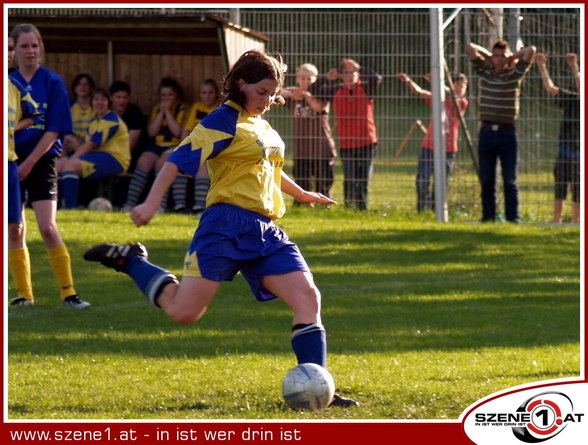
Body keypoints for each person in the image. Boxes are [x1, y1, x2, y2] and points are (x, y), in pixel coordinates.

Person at [84, 50, 358, 408]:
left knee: (308, 297)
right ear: (241, 84)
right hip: (225, 226)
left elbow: (269, 165)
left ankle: (319, 385)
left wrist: (301, 193)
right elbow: (174, 162)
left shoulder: (259, 122)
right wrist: (150, 204)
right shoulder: (221, 120)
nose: (268, 100)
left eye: (273, 94)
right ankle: (131, 259)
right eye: (262, 92)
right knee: (184, 313)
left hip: (265, 229)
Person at [9, 23, 90, 308]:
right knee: (15, 228)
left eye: (34, 45)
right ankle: (24, 295)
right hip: (12, 161)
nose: (30, 51)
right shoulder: (9, 84)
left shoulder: (53, 82)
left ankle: (69, 294)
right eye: (24, 46)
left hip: (41, 161)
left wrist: (29, 163)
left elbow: (54, 129)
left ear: (41, 48)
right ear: (14, 50)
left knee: (47, 227)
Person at [466, 39, 536, 223]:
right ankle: (488, 218)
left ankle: (513, 219)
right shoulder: (485, 71)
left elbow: (531, 50)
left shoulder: (515, 73)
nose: (498, 60)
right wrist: (489, 57)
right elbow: (471, 48)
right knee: (488, 180)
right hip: (487, 132)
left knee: (509, 181)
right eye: (496, 56)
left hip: (507, 132)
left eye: (502, 56)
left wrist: (511, 58)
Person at [396, 72, 469, 212]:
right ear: (452, 84)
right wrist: (408, 80)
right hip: (429, 146)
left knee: (441, 183)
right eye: (458, 84)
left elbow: (451, 95)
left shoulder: (462, 102)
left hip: (448, 148)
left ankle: (438, 210)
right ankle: (423, 209)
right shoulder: (439, 99)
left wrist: (436, 83)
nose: (461, 88)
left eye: (464, 85)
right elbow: (419, 92)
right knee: (422, 180)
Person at [318, 58, 382, 210]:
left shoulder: (366, 88)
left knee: (363, 178)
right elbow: (315, 92)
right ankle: (348, 207)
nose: (349, 75)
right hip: (347, 143)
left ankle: (362, 208)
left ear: (358, 74)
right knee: (350, 178)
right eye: (346, 73)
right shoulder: (336, 90)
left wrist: (360, 67)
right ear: (341, 75)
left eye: (352, 72)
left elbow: (377, 78)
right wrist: (327, 78)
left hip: (367, 141)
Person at [56, 88, 130, 209]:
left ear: (109, 102)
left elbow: (91, 144)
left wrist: (72, 159)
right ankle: (54, 206)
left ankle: (69, 208)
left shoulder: (111, 119)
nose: (99, 103)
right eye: (96, 99)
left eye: (103, 100)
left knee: (70, 165)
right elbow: (84, 146)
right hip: (97, 157)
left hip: (115, 159)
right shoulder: (93, 122)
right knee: (58, 164)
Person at [121, 77, 187, 212]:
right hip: (157, 145)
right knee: (143, 162)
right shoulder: (156, 109)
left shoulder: (182, 107)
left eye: (170, 95)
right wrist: (161, 112)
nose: (166, 98)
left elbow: (177, 132)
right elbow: (151, 132)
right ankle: (130, 203)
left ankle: (159, 205)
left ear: (176, 95)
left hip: (174, 145)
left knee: (161, 164)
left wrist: (168, 112)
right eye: (163, 95)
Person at [535, 53, 580, 224]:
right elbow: (550, 87)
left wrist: (574, 66)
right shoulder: (571, 99)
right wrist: (541, 65)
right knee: (560, 189)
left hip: (580, 156)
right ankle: (557, 222)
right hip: (564, 153)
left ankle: (576, 223)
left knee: (579, 192)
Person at [8, 66, 40, 306]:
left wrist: (11, 127)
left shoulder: (15, 87)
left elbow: (34, 115)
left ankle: (24, 295)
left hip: (8, 164)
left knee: (14, 229)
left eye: (9, 49)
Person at [282, 63, 336, 204]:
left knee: (323, 180)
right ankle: (301, 205)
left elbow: (318, 108)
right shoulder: (293, 97)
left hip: (321, 147)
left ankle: (324, 205)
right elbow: (276, 94)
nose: (306, 82)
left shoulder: (322, 93)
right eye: (302, 78)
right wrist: (291, 93)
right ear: (297, 79)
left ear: (316, 80)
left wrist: (306, 95)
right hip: (302, 148)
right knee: (301, 180)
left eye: (309, 79)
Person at [171, 78, 222, 213]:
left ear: (216, 93)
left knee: (203, 166)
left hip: (213, 149)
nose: (207, 96)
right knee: (179, 162)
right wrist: (184, 150)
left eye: (211, 92)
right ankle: (179, 205)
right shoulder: (197, 107)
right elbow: (186, 130)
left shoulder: (220, 108)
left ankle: (199, 206)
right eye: (204, 92)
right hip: (196, 147)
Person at [109, 80, 147, 173]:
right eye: (118, 97)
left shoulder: (135, 112)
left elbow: (129, 146)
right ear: (111, 98)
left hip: (131, 154)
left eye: (125, 97)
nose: (122, 101)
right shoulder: (106, 112)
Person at [63, 73, 96, 155]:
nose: (82, 87)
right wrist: (71, 142)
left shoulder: (97, 106)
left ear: (91, 88)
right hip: (71, 143)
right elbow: (63, 128)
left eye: (85, 84)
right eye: (79, 84)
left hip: (91, 145)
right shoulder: (68, 106)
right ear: (74, 88)